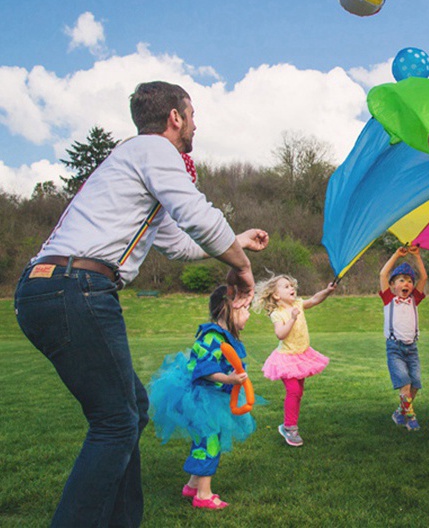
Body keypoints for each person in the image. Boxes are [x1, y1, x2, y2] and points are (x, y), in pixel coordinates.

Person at [14, 81, 269, 527]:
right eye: (192, 113)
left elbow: (178, 243)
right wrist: (242, 266)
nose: (195, 123)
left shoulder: (132, 163)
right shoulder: (154, 151)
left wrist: (236, 240)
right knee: (115, 422)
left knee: (130, 411)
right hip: (77, 287)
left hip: (48, 288)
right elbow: (197, 215)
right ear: (176, 116)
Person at [148, 285, 259, 510]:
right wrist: (229, 379)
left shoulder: (224, 336)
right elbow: (205, 370)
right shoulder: (212, 337)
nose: (249, 314)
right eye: (245, 308)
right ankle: (203, 495)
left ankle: (192, 485)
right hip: (202, 400)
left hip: (212, 396)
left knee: (204, 439)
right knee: (210, 442)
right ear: (229, 308)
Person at [254, 275, 336, 446]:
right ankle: (290, 427)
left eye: (292, 285)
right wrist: (292, 318)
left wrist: (327, 291)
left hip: (302, 356)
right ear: (276, 295)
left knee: (298, 392)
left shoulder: (298, 304)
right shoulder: (278, 313)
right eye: (286, 286)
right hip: (286, 359)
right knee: (293, 391)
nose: (292, 288)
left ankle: (290, 425)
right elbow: (280, 334)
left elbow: (314, 300)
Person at [379, 245, 428, 431]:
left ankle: (400, 412)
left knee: (415, 384)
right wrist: (396, 254)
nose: (406, 284)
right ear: (393, 285)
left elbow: (424, 277)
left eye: (409, 281)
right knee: (405, 385)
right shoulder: (388, 299)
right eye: (401, 280)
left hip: (412, 348)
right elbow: (383, 274)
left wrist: (416, 256)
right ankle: (411, 417)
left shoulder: (415, 299)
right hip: (395, 348)